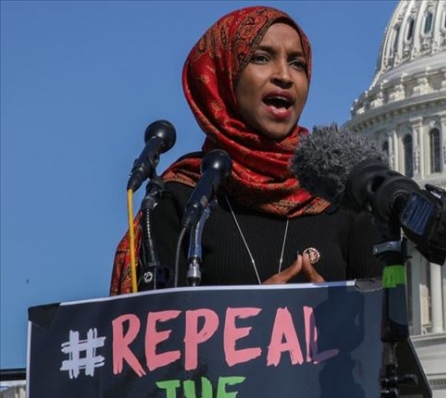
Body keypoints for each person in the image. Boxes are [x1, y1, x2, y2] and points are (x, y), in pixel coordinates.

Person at [110, 6, 382, 295]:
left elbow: (381, 329)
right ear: (224, 75)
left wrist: (333, 315)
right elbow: (155, 332)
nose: (284, 76)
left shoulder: (344, 196)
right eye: (262, 58)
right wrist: (254, 316)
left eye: (297, 63)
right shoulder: (184, 199)